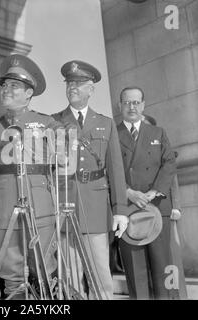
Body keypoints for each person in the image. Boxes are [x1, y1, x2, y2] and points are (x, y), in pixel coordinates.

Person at [0, 54, 59, 299]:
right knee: (10, 275)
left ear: (29, 93)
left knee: (44, 269)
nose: (6, 90)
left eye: (14, 86)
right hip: (1, 208)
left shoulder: (48, 124)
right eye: (4, 85)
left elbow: (66, 159)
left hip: (39, 207)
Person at [52, 60, 129, 300]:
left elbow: (116, 170)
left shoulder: (105, 123)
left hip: (96, 206)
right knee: (71, 277)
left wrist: (120, 210)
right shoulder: (53, 122)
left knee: (100, 275)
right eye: (69, 83)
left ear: (91, 89)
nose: (72, 87)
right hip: (65, 204)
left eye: (79, 83)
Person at [117, 86, 179, 299]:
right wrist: (128, 192)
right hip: (128, 209)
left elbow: (169, 163)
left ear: (143, 105)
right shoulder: (111, 135)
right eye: (127, 102)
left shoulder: (158, 132)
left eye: (136, 102)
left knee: (163, 267)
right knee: (136, 271)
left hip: (157, 208)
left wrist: (154, 192)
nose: (131, 107)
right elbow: (108, 170)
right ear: (120, 106)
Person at [142, 114, 187, 299]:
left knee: (170, 257)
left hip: (165, 210)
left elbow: (172, 180)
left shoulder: (163, 148)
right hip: (144, 212)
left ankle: (175, 294)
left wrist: (176, 206)